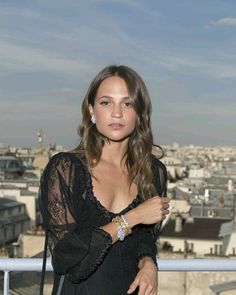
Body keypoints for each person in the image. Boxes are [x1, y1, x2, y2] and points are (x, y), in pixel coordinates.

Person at [39, 65, 170, 295]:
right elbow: (67, 260)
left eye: (127, 103)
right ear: (91, 110)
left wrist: (148, 262)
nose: (116, 113)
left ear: (140, 112)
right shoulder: (66, 169)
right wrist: (132, 217)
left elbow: (144, 237)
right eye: (106, 102)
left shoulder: (153, 172)